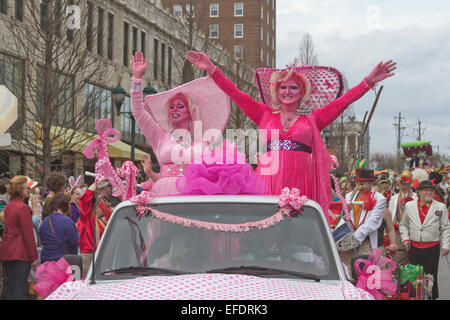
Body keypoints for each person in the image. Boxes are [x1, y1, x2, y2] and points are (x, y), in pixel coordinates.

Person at [187, 50, 396, 222]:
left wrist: (368, 81)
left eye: (293, 87)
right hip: (268, 180)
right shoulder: (264, 113)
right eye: (283, 87)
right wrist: (212, 70)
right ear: (277, 92)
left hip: (302, 182)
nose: (287, 91)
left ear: (302, 91)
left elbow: (343, 102)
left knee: (297, 226)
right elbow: (235, 93)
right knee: (266, 225)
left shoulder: (314, 119)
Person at [130, 51, 230, 196]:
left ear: (190, 112)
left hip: (194, 196)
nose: (175, 109)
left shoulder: (203, 139)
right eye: (171, 107)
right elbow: (138, 112)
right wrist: (137, 79)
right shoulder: (159, 135)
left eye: (180, 106)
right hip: (164, 195)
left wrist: (212, 72)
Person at [400, 180, 450, 300]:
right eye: (425, 190)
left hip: (432, 247)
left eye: (431, 190)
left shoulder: (441, 207)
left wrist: (446, 246)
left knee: (430, 276)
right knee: (415, 276)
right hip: (414, 247)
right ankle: (415, 297)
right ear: (418, 192)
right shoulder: (409, 206)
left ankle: (430, 297)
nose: (428, 192)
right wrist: (405, 238)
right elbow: (403, 225)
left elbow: (446, 228)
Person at [339, 169, 386, 272]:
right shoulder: (349, 196)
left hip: (364, 243)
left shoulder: (380, 199)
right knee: (346, 272)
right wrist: (345, 211)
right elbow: (341, 218)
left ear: (371, 183)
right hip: (347, 243)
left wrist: (355, 238)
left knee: (364, 274)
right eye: (357, 183)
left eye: (362, 184)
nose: (359, 187)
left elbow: (373, 222)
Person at [0, 176, 38, 300]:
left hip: (8, 250)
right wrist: (34, 255)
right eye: (26, 188)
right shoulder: (23, 208)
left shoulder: (9, 206)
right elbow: (28, 234)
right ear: (21, 189)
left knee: (9, 285)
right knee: (19, 286)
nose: (28, 190)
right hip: (21, 252)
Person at [78, 179, 112, 278]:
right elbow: (85, 199)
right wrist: (97, 181)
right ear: (95, 206)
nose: (104, 208)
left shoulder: (98, 220)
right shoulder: (86, 218)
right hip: (88, 258)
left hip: (99, 257)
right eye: (101, 205)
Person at [39, 194, 79, 263]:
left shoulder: (45, 221)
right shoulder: (67, 221)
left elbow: (42, 239)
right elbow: (75, 241)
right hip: (63, 262)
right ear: (65, 206)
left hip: (46, 262)